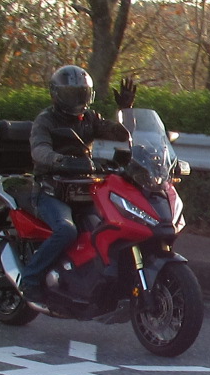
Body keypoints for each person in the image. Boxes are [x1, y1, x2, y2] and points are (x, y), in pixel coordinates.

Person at [18, 66, 136, 302]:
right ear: (56, 94)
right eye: (72, 94)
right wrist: (60, 160)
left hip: (83, 190)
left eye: (82, 94)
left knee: (112, 226)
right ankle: (29, 279)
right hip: (50, 190)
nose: (78, 100)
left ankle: (96, 279)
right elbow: (39, 150)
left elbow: (122, 135)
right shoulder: (46, 120)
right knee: (66, 230)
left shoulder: (90, 118)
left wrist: (126, 110)